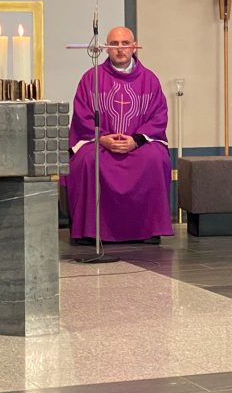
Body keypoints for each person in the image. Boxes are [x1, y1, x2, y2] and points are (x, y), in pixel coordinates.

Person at [66, 26, 173, 244]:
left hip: (137, 144)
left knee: (155, 158)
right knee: (88, 160)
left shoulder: (149, 79)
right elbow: (82, 115)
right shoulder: (91, 78)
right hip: (101, 142)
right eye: (114, 44)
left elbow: (159, 116)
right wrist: (102, 138)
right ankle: (91, 232)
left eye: (125, 44)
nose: (120, 49)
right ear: (106, 48)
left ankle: (148, 230)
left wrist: (136, 140)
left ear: (134, 47)